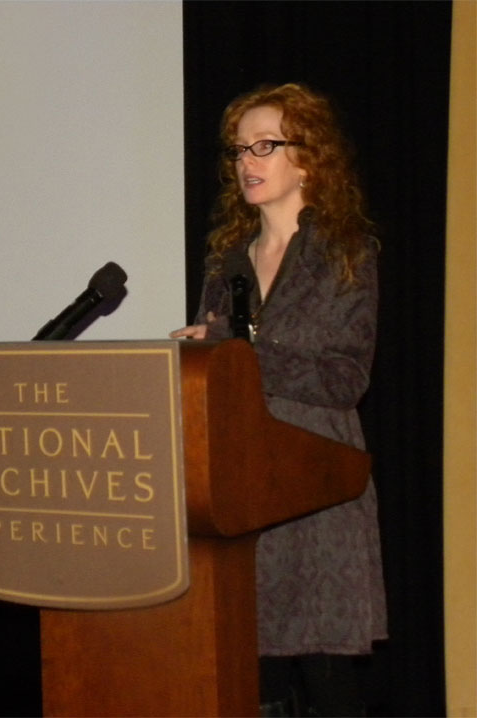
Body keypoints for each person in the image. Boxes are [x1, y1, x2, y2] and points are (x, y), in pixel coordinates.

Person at [170, 83, 388, 717]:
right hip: (240, 488)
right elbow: (220, 377)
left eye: (266, 145)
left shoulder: (345, 254)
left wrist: (238, 352)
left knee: (327, 684)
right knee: (253, 684)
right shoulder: (227, 261)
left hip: (317, 488)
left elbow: (345, 379)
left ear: (308, 158)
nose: (247, 161)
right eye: (240, 149)